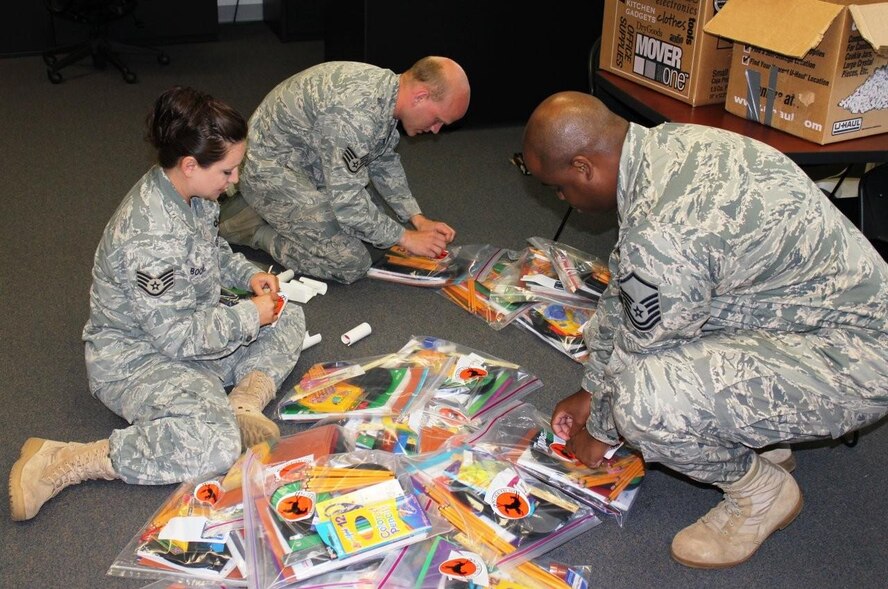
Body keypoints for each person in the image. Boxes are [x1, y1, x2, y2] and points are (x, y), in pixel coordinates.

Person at [523, 91, 888, 568]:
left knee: (645, 402)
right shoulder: (669, 147)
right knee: (656, 333)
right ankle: (751, 427)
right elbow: (629, 294)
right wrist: (590, 387)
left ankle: (761, 494)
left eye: (559, 188)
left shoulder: (664, 233)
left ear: (583, 166)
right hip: (810, 318)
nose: (561, 199)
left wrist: (598, 428)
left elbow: (642, 347)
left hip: (858, 359)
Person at [9, 87, 306, 522]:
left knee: (287, 315)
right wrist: (247, 315)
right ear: (190, 165)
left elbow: (211, 249)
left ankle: (241, 404)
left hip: (189, 328)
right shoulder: (148, 237)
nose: (235, 181)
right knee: (218, 445)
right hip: (136, 359)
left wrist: (247, 277)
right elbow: (178, 338)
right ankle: (67, 460)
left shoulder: (190, 192)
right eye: (227, 171)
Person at [219, 56, 470, 284]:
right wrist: (405, 237)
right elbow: (349, 205)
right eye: (438, 120)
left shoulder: (388, 92)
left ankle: (278, 213)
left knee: (372, 234)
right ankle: (251, 228)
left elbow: (382, 160)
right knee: (351, 262)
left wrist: (417, 218)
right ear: (421, 96)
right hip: (268, 172)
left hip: (308, 164)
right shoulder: (355, 115)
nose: (436, 130)